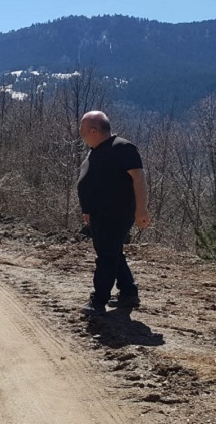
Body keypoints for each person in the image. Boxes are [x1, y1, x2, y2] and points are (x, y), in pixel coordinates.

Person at [77, 111, 151, 317]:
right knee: (112, 253)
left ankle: (99, 300)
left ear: (94, 130)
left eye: (82, 129)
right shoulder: (97, 150)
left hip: (116, 214)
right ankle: (128, 292)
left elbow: (138, 178)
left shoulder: (123, 148)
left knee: (106, 256)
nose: (80, 134)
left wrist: (141, 209)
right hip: (99, 214)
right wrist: (88, 209)